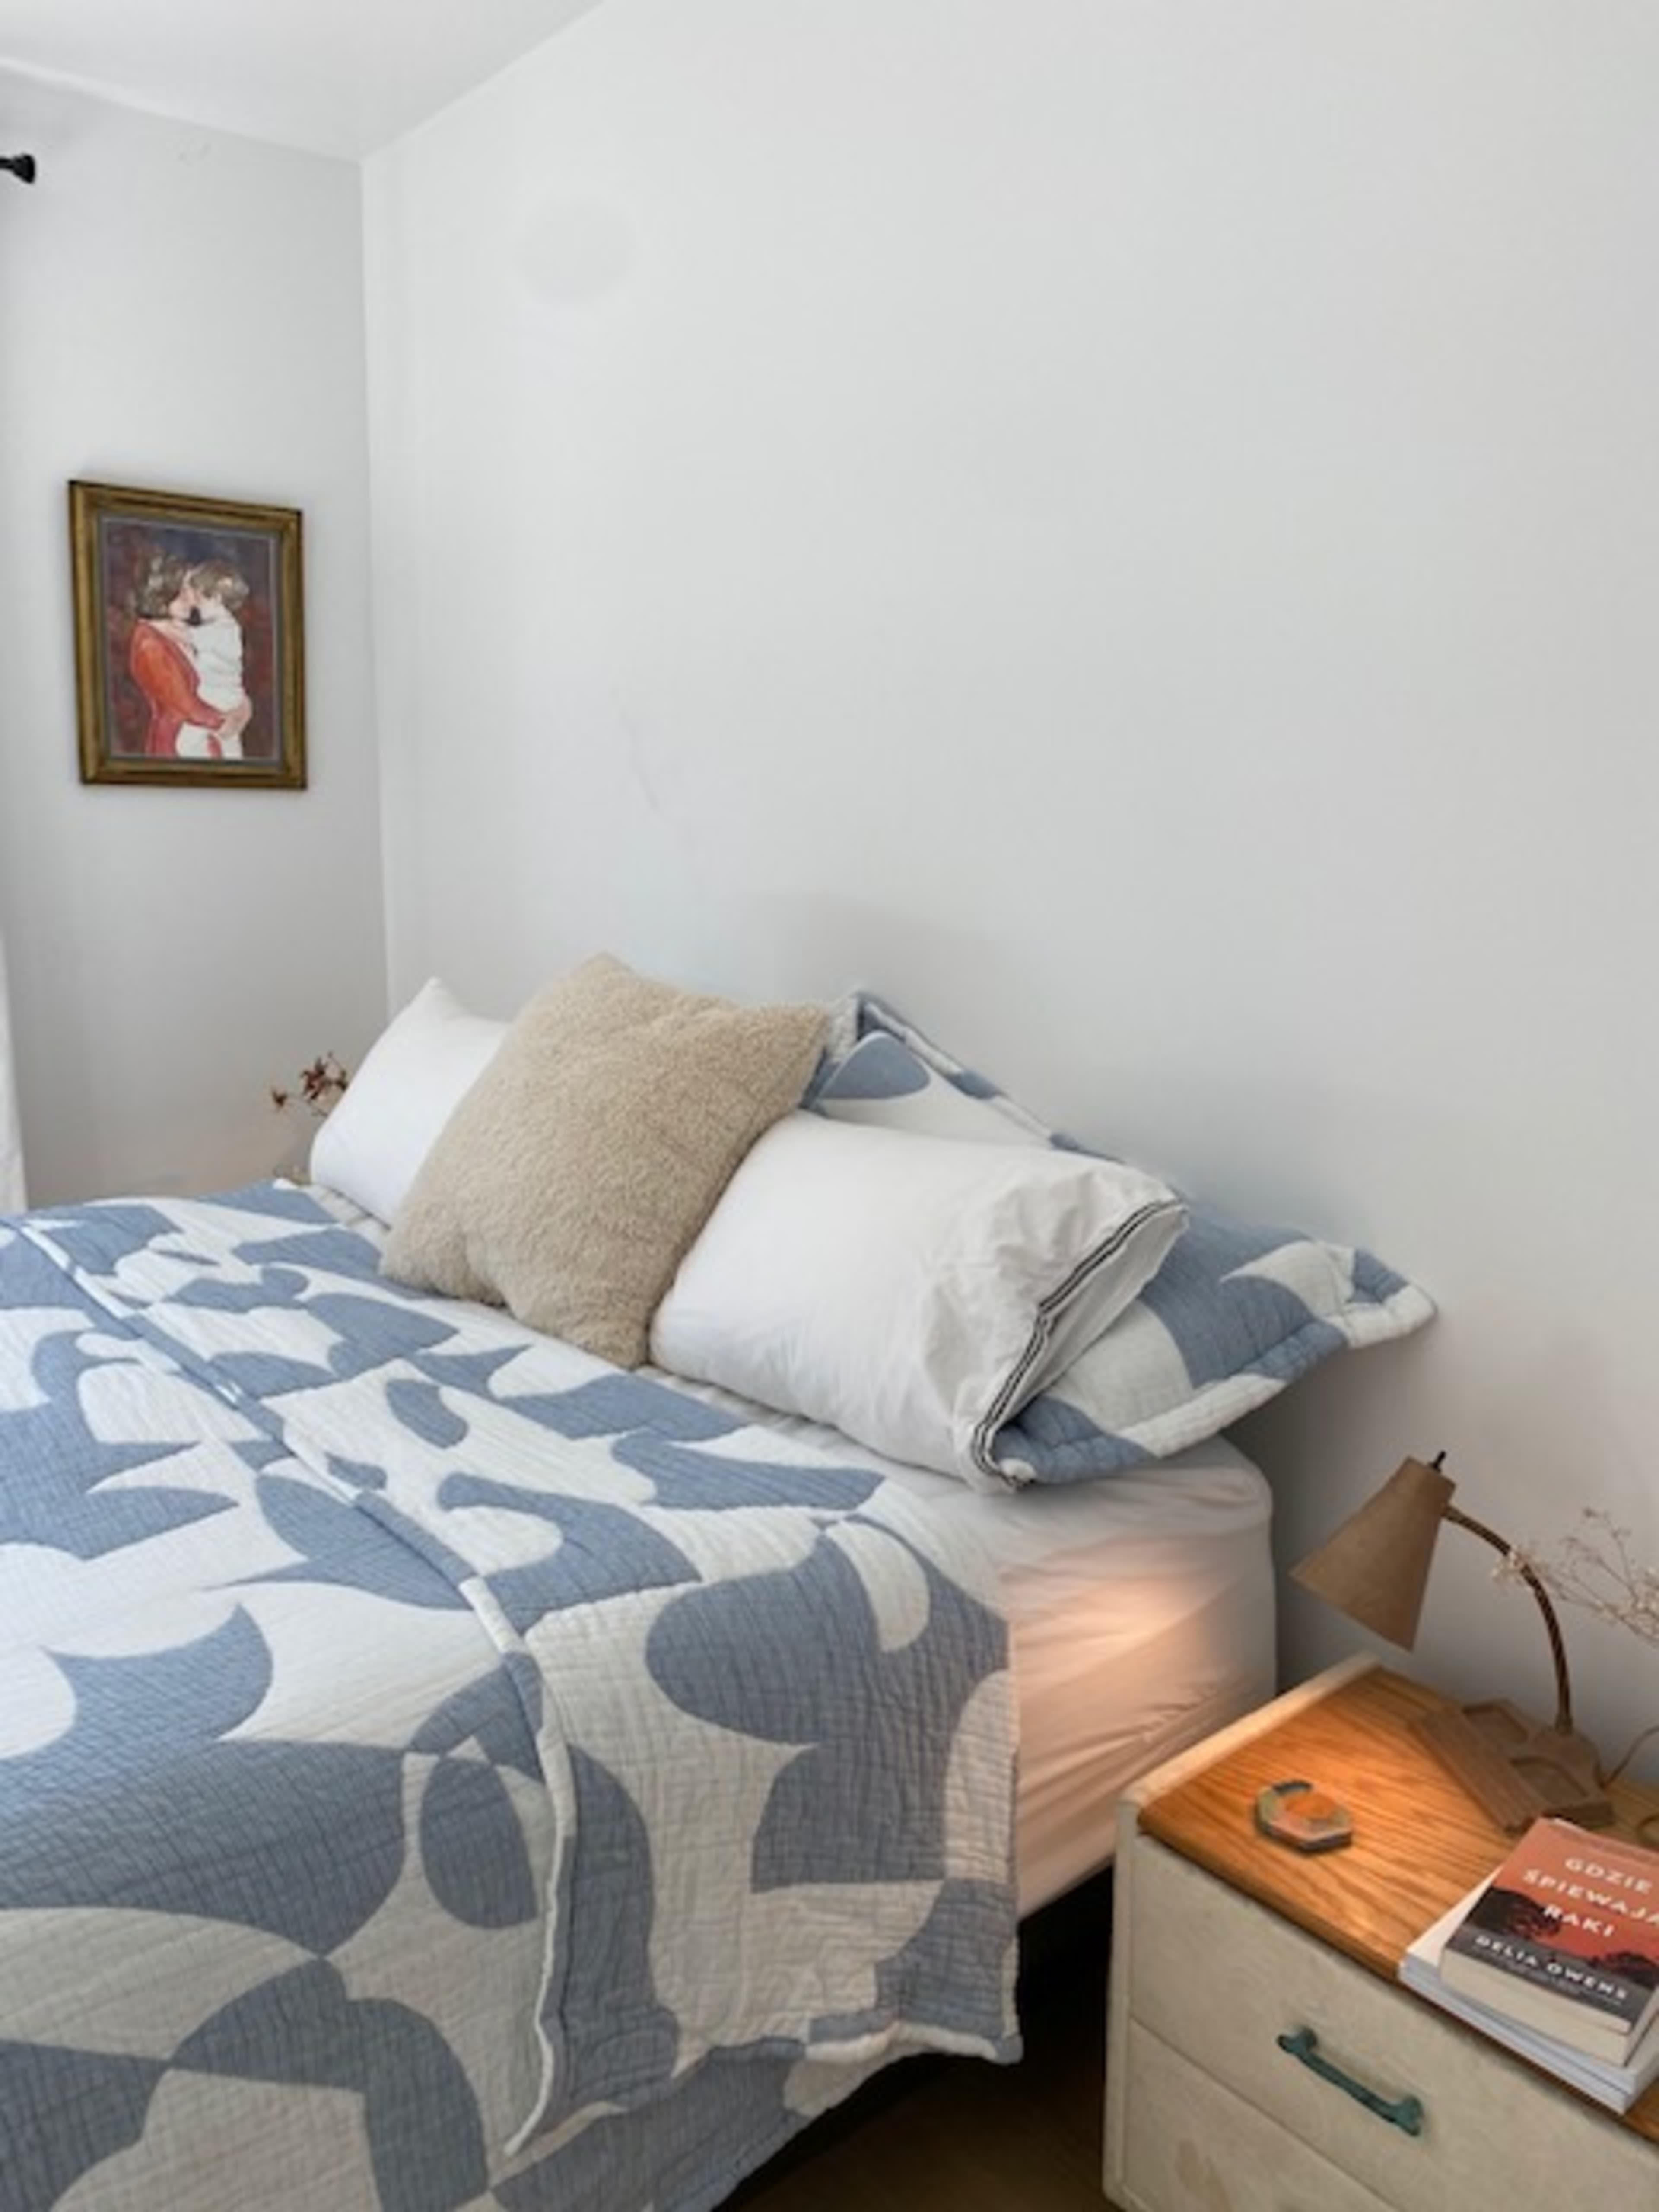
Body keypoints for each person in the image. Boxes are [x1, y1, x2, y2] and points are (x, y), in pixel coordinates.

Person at [125, 556, 250, 760]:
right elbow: (185, 706)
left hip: (211, 736)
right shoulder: (151, 644)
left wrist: (242, 708)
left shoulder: (191, 628)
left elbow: (221, 674)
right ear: (164, 594)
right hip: (176, 745)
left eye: (192, 590)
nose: (192, 600)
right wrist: (229, 720)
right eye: (184, 592)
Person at [176, 559, 251, 761]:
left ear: (217, 599)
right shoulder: (228, 626)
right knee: (230, 745)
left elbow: (187, 636)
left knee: (186, 743)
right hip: (228, 696)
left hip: (216, 696)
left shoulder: (220, 630)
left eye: (200, 600)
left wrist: (166, 627)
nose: (196, 607)